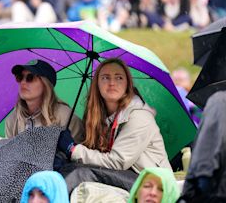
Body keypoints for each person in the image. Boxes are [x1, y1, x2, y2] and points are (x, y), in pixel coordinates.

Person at [57, 58, 171, 191]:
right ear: (97, 84)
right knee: (69, 167)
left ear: (127, 84)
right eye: (105, 78)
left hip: (151, 184)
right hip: (123, 176)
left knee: (81, 174)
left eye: (119, 78)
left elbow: (117, 162)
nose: (112, 83)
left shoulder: (140, 116)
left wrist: (73, 149)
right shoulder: (98, 116)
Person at [5, 59, 84, 143]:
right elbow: (7, 155)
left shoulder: (66, 116)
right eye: (20, 77)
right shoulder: (12, 120)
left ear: (45, 84)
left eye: (30, 77)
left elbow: (77, 154)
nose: (23, 82)